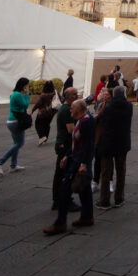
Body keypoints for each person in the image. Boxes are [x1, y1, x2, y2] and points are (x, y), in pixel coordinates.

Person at [44, 99, 96, 234]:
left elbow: (89, 145)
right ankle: (87, 216)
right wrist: (67, 155)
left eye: (72, 108)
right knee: (84, 189)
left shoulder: (86, 122)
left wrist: (84, 163)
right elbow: (76, 141)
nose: (70, 110)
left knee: (64, 190)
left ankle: (60, 223)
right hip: (76, 158)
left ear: (79, 109)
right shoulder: (82, 119)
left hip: (79, 161)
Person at [96, 86, 132, 209]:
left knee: (106, 172)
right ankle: (119, 198)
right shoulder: (129, 106)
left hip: (108, 142)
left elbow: (101, 120)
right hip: (123, 142)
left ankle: (104, 200)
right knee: (121, 171)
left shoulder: (108, 108)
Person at [0, 77, 30, 175]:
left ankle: (13, 165)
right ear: (23, 86)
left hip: (13, 121)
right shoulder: (17, 94)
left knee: (16, 144)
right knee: (19, 144)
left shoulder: (16, 94)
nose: (28, 87)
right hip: (16, 121)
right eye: (27, 85)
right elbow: (25, 105)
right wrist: (27, 95)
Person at [51, 87, 80, 212]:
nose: (76, 95)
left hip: (64, 144)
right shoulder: (67, 110)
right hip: (65, 145)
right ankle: (62, 200)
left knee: (61, 173)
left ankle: (59, 199)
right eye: (74, 94)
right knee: (64, 174)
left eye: (76, 94)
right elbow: (70, 130)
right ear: (67, 96)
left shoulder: (66, 109)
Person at [32, 81, 57, 146]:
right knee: (47, 124)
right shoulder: (55, 93)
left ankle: (42, 136)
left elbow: (38, 104)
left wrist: (32, 110)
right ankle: (45, 137)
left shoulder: (43, 95)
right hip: (52, 112)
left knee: (38, 124)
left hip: (43, 112)